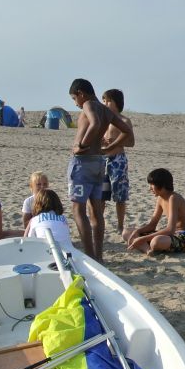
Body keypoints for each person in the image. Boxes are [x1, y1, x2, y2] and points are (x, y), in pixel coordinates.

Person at [67, 77, 134, 262]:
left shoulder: (89, 104)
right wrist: (107, 149)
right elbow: (127, 132)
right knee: (96, 211)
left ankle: (89, 257)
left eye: (74, 98)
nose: (76, 103)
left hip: (83, 163)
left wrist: (81, 145)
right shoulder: (106, 110)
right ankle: (98, 257)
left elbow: (95, 123)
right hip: (98, 162)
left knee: (78, 210)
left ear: (81, 93)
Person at [124, 169, 185, 255]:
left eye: (152, 185)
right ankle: (148, 251)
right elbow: (152, 225)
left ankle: (147, 247)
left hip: (184, 238)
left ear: (162, 185)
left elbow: (170, 230)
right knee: (127, 232)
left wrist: (142, 239)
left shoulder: (174, 198)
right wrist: (137, 231)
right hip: (170, 236)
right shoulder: (160, 198)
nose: (150, 188)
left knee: (156, 241)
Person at [100, 89, 134, 235]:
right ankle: (99, 222)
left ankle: (120, 225)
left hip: (118, 160)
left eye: (108, 100)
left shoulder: (124, 121)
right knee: (101, 194)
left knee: (120, 195)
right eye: (104, 100)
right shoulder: (101, 120)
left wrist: (116, 142)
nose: (105, 103)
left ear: (117, 103)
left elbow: (131, 142)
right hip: (102, 159)